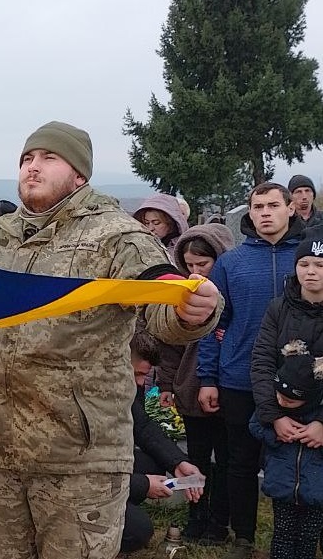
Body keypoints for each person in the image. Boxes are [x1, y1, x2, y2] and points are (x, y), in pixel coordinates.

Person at [0, 121, 222, 559]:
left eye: (47, 157)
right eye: (26, 159)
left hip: (79, 454)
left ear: (79, 174)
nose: (32, 167)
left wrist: (191, 311)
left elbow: (161, 294)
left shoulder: (116, 235)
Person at [197, 182, 304, 559]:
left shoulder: (306, 259)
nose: (265, 213)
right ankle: (243, 536)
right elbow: (211, 323)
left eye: (273, 205)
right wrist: (208, 377)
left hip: (299, 380)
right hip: (239, 377)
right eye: (258, 206)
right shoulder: (231, 262)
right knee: (239, 462)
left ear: (291, 208)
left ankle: (292, 539)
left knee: (294, 461)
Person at [156, 223, 236, 544]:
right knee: (196, 459)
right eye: (188, 265)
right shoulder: (182, 294)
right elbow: (168, 345)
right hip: (189, 391)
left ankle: (220, 521)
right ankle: (196, 516)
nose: (195, 271)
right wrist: (165, 385)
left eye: (202, 264)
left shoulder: (230, 293)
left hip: (225, 389)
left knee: (226, 459)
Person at [122, 327, 203, 553]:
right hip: (78, 479)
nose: (140, 383)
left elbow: (143, 425)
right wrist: (143, 485)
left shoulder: (129, 386)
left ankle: (118, 506)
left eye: (144, 376)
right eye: (137, 374)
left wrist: (178, 462)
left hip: (107, 472)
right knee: (139, 531)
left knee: (152, 463)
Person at [249, 342, 323, 559]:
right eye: (278, 395)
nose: (281, 401)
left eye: (289, 400)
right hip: (282, 487)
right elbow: (254, 425)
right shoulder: (274, 410)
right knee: (282, 534)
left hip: (316, 492)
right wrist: (276, 434)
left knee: (308, 538)